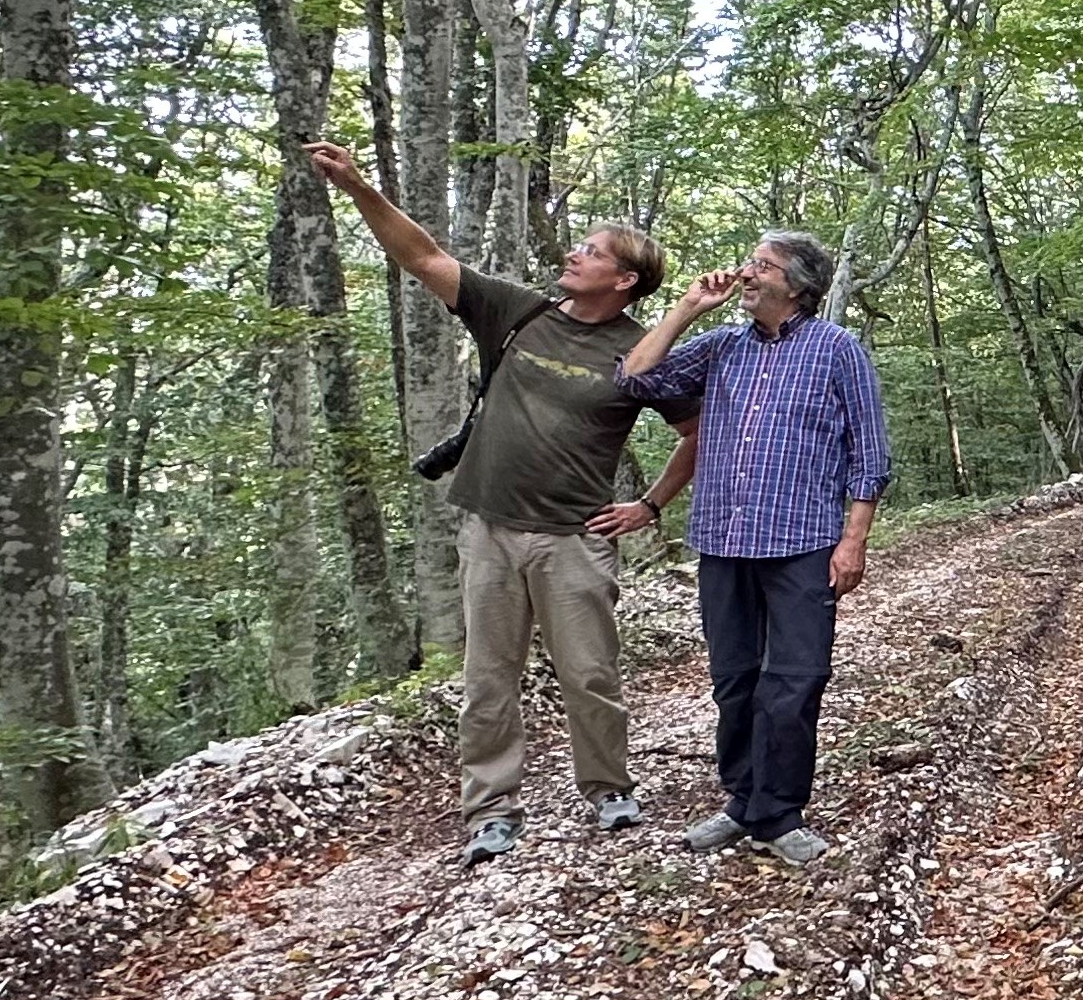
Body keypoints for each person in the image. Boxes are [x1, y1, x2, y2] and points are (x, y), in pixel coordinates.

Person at [303, 141, 698, 863]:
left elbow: (698, 433)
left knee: (589, 675)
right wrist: (357, 187)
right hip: (489, 528)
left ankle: (609, 789)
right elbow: (422, 257)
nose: (573, 254)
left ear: (625, 278)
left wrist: (648, 504)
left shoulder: (642, 353)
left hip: (574, 538)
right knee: (489, 679)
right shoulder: (518, 313)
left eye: (590, 250)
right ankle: (491, 810)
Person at [613, 230, 889, 866]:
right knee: (734, 679)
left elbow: (869, 452)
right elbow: (634, 381)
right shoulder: (721, 347)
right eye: (750, 262)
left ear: (796, 286)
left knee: (795, 680)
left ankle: (779, 812)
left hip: (803, 542)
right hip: (723, 540)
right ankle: (742, 802)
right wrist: (685, 309)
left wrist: (854, 541)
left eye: (762, 266)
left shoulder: (837, 350)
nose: (746, 273)